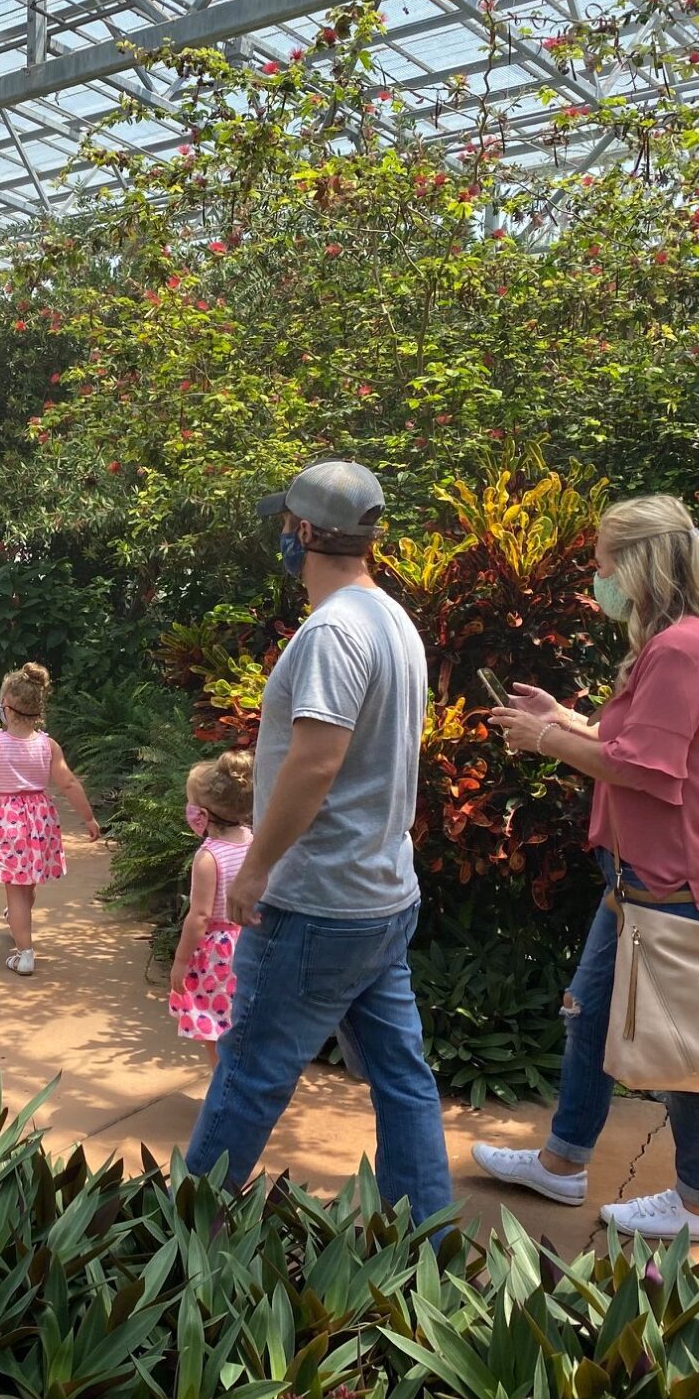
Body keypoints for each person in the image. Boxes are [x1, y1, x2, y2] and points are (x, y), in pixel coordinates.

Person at [472, 494, 699, 1244]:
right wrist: (563, 718)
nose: (596, 575)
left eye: (602, 561)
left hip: (673, 887)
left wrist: (544, 741)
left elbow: (649, 769)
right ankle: (563, 1163)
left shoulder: (682, 650)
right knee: (589, 1019)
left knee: (684, 1056)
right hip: (639, 884)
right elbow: (635, 743)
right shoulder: (678, 644)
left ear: (639, 564)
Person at [184, 458, 453, 1229]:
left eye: (285, 527)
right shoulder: (390, 618)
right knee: (402, 1077)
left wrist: (256, 868)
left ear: (301, 534)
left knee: (250, 1073)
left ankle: (183, 1238)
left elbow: (318, 759)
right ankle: (426, 1241)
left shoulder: (334, 630)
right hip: (380, 897)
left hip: (318, 903)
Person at [0, 663, 101, 977]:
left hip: (7, 821)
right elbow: (69, 783)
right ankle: (17, 918)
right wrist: (89, 818)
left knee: (15, 889)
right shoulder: (48, 745)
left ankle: (25, 953)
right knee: (28, 884)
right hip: (40, 821)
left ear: (5, 707)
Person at [169, 751, 256, 1066]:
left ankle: (224, 1091)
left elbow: (200, 917)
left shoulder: (209, 858)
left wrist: (181, 961)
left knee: (215, 1027)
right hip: (251, 940)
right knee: (244, 1022)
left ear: (202, 814)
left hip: (218, 953)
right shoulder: (253, 842)